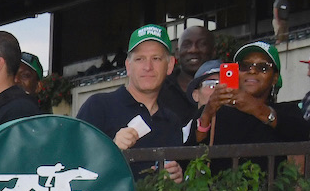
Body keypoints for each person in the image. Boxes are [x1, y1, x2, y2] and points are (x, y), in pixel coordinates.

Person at [75, 25, 194, 165]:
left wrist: (176, 177)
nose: (148, 67)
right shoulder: (98, 107)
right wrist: (111, 149)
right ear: (128, 66)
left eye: (156, 58)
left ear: (170, 65)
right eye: (139, 59)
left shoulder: (172, 122)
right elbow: (70, 163)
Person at [200, 40, 310, 158]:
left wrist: (259, 109)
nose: (252, 71)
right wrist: (207, 114)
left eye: (263, 67)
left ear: (274, 78)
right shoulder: (217, 110)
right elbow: (189, 154)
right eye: (244, 66)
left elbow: (302, 134)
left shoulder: (287, 111)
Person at [175, 24, 217, 96]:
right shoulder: (161, 88)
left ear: (213, 52)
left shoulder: (225, 86)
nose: (193, 50)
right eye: (187, 44)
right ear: (177, 53)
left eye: (201, 44)